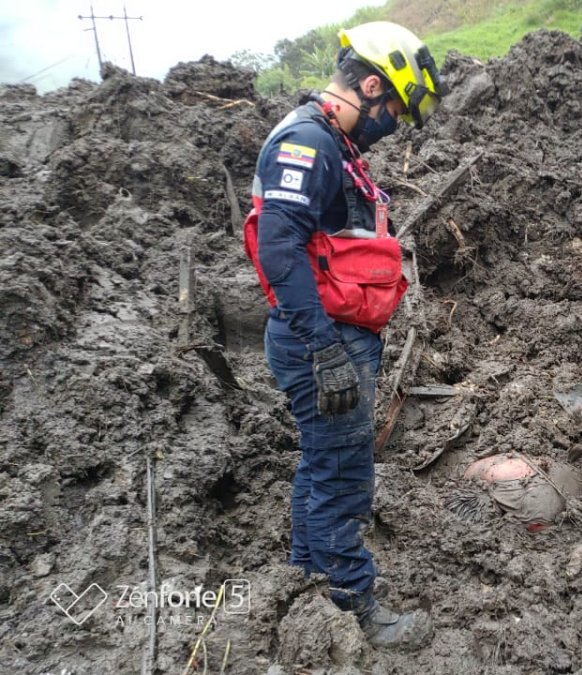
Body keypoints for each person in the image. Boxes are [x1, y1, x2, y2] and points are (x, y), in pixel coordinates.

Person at [242, 22, 444, 650]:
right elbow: (278, 247)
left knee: (322, 461)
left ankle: (306, 575)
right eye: (394, 110)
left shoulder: (333, 143)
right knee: (343, 473)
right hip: (320, 339)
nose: (394, 125)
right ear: (373, 84)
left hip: (330, 334)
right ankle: (354, 606)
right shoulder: (307, 142)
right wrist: (325, 348)